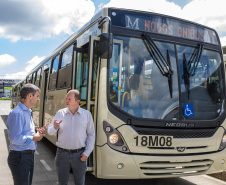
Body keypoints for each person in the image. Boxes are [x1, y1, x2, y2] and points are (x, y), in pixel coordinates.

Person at [47, 89, 95, 185]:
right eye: (66, 99)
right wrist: (55, 127)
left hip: (79, 155)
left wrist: (87, 153)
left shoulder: (87, 115)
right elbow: (50, 132)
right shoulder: (60, 113)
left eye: (69, 99)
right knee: (62, 183)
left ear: (77, 101)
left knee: (79, 183)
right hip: (62, 155)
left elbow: (91, 135)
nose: (66, 101)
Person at [7, 83, 45, 185]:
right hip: (20, 157)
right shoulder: (18, 113)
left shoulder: (27, 112)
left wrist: (36, 132)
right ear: (29, 96)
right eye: (37, 96)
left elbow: (24, 132)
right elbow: (15, 138)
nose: (38, 99)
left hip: (26, 156)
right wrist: (34, 138)